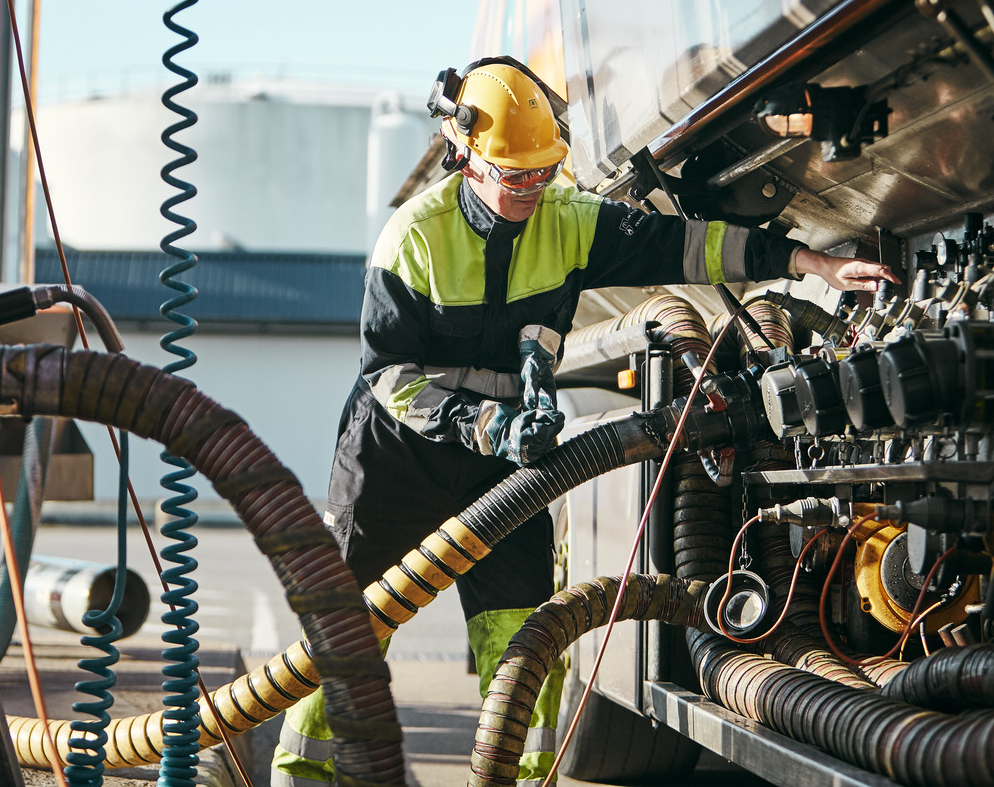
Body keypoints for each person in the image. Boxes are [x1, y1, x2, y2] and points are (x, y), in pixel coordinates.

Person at [271, 58, 898, 787]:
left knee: (526, 640)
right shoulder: (412, 240)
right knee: (346, 635)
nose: (532, 191)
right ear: (466, 157)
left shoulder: (566, 221)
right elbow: (389, 376)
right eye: (516, 177)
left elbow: (685, 245)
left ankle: (518, 777)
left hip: (503, 460)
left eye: (541, 174)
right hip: (396, 455)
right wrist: (483, 424)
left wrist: (801, 260)